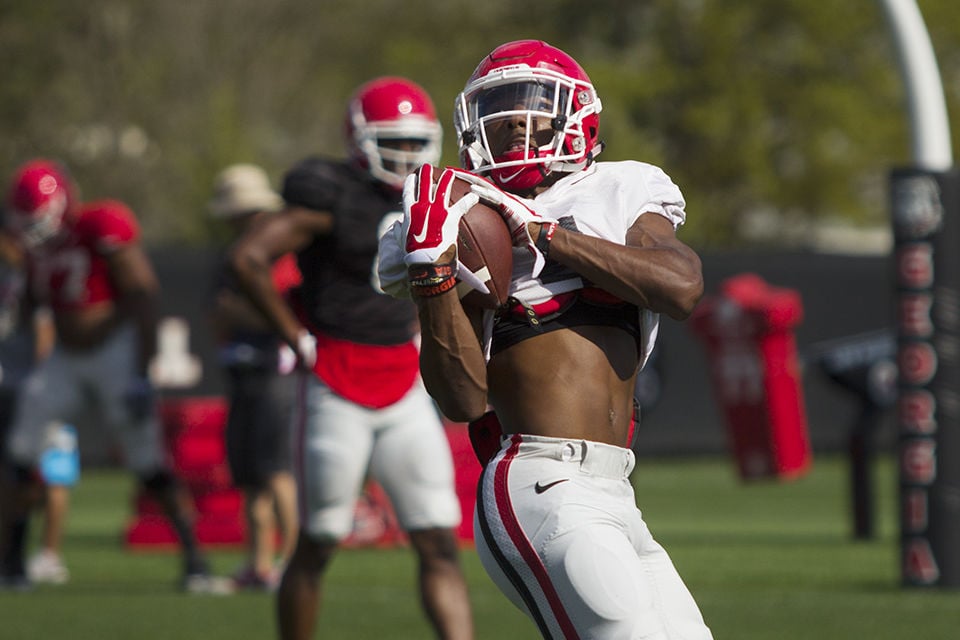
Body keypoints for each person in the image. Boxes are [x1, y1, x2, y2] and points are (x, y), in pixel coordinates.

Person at [378, 40, 715, 639]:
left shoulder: (620, 187)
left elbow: (681, 287)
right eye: (498, 112)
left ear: (579, 117)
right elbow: (461, 401)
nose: (513, 124)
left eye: (530, 106)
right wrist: (432, 277)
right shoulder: (462, 213)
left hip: (615, 486)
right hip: (538, 480)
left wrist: (545, 234)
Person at [230, 76, 473, 640]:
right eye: (394, 141)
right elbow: (247, 258)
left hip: (405, 379)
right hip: (336, 379)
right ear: (360, 141)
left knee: (438, 538)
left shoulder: (433, 195)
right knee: (318, 540)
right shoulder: (331, 195)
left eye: (416, 142)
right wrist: (295, 336)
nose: (407, 154)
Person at [0, 159, 229, 594]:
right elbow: (31, 303)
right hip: (64, 357)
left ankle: (195, 560)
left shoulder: (99, 224)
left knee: (147, 459)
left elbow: (142, 294)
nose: (32, 231)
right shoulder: (33, 249)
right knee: (21, 451)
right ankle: (12, 562)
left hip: (113, 351)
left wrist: (142, 372)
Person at [207, 163, 299, 591]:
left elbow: (282, 314)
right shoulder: (234, 255)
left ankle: (292, 560)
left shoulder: (277, 252)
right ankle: (258, 562)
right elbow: (219, 316)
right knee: (249, 474)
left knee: (275, 469)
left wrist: (238, 313)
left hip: (274, 372)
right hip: (243, 370)